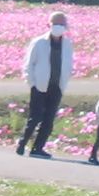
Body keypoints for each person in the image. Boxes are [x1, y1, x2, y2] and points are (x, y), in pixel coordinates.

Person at [16, 11, 70, 158]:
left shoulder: (67, 44)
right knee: (35, 117)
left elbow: (68, 65)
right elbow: (28, 65)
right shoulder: (39, 42)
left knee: (49, 119)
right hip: (39, 85)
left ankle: (37, 148)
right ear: (49, 25)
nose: (59, 27)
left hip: (56, 86)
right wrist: (32, 84)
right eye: (56, 24)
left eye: (62, 24)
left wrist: (63, 84)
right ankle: (22, 143)